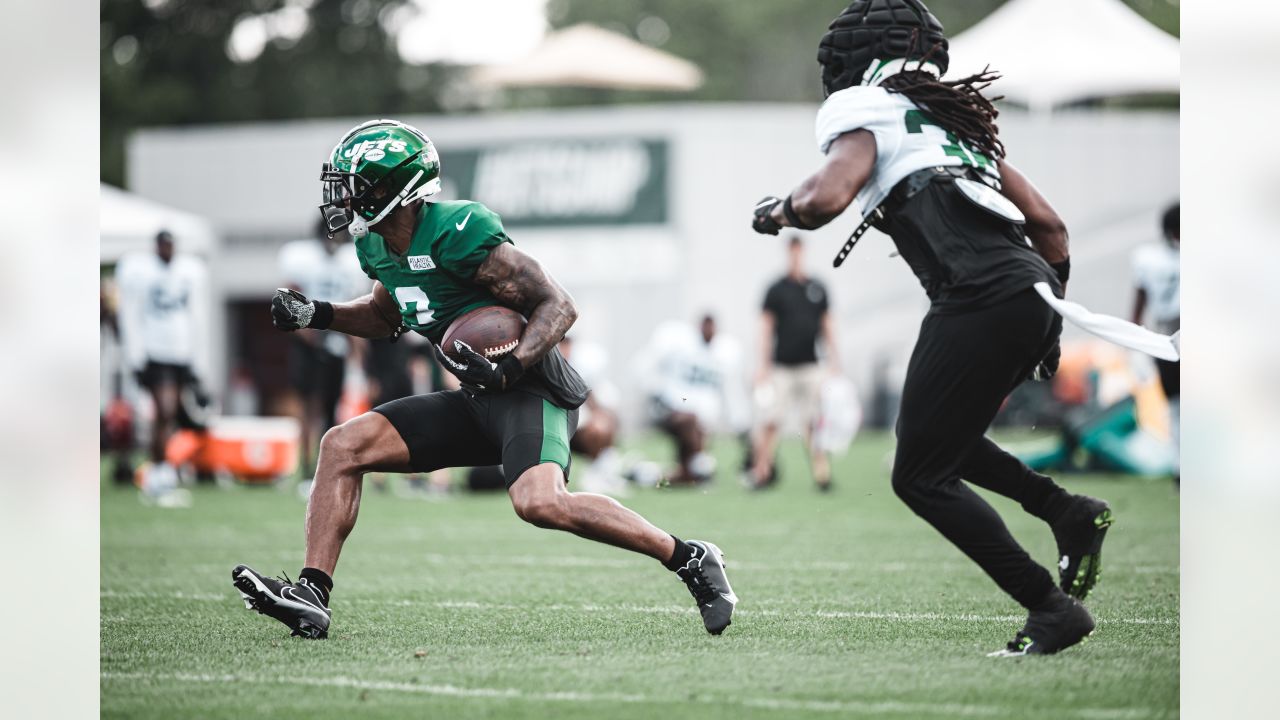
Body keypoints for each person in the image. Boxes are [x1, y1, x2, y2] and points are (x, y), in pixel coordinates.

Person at [231, 119, 736, 639]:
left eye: (357, 185)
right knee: (342, 445)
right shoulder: (377, 246)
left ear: (395, 189)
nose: (345, 197)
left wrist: (510, 366)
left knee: (540, 503)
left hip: (529, 389)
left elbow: (558, 305)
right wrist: (317, 313)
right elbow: (388, 315)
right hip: (476, 396)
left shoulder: (458, 229)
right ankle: (312, 594)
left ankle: (689, 557)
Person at [751, 0, 1112, 656]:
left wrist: (780, 212)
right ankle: (1066, 511)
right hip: (1032, 288)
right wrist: (1049, 323)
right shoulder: (957, 126)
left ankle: (1050, 607)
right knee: (946, 439)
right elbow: (1051, 228)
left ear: (858, 59)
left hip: (977, 293)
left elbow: (825, 197)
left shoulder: (866, 109)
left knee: (918, 473)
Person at [114, 230, 209, 504]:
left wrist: (195, 359)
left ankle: (161, 470)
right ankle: (157, 471)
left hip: (179, 353)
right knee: (164, 411)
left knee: (169, 415)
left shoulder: (187, 273)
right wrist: (136, 356)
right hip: (155, 352)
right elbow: (132, 314)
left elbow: (196, 316)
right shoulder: (142, 273)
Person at [751, 236, 842, 491]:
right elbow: (766, 329)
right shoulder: (776, 289)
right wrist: (763, 366)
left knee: (814, 422)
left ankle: (821, 473)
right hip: (782, 367)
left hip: (810, 366)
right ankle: (762, 471)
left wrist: (835, 361)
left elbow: (827, 327)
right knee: (771, 420)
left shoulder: (817, 288)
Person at [278, 221, 367, 480]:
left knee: (331, 409)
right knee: (309, 407)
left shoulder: (348, 263)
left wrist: (355, 347)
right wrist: (309, 333)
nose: (334, 241)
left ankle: (325, 467)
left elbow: (355, 306)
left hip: (336, 341)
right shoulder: (303, 260)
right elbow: (289, 298)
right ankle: (306, 468)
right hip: (309, 343)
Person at [638, 315, 749, 486]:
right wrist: (657, 395)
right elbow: (647, 367)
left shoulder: (726, 350)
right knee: (690, 422)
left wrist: (740, 423)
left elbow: (732, 392)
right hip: (672, 410)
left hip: (704, 419)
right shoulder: (678, 342)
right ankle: (698, 465)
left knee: (689, 473)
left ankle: (656, 475)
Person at [1131, 203, 1180, 484]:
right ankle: (1181, 465)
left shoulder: (1148, 258)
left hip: (1168, 338)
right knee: (1175, 404)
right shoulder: (1150, 259)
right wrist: (1135, 343)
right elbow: (1139, 302)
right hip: (1171, 337)